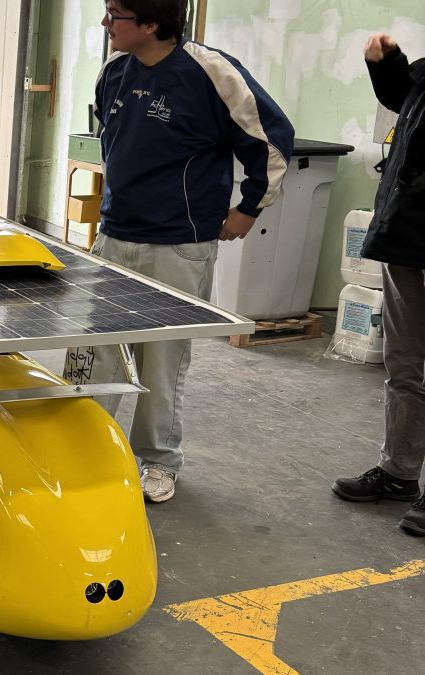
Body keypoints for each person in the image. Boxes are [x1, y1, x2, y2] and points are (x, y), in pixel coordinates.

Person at [84, 0, 294, 502]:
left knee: (162, 360)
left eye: (115, 14)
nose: (105, 23)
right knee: (94, 352)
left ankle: (158, 461)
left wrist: (249, 208)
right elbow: (111, 141)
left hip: (178, 245)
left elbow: (272, 140)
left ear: (151, 24)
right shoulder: (114, 70)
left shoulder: (210, 72)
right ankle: (85, 449)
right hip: (114, 236)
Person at [332, 34, 425, 535]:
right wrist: (386, 63)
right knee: (405, 366)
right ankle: (398, 472)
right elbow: (401, 97)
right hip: (407, 237)